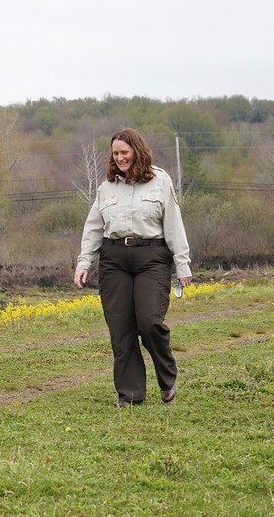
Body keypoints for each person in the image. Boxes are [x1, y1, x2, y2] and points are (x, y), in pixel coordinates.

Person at [74, 127, 192, 407]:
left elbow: (174, 224)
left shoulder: (160, 181)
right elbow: (93, 227)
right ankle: (130, 394)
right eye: (115, 153)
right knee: (121, 329)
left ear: (137, 151)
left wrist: (182, 264)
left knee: (150, 322)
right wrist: (84, 262)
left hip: (152, 257)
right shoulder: (107, 187)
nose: (119, 158)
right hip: (114, 259)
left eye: (124, 152)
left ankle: (167, 375)